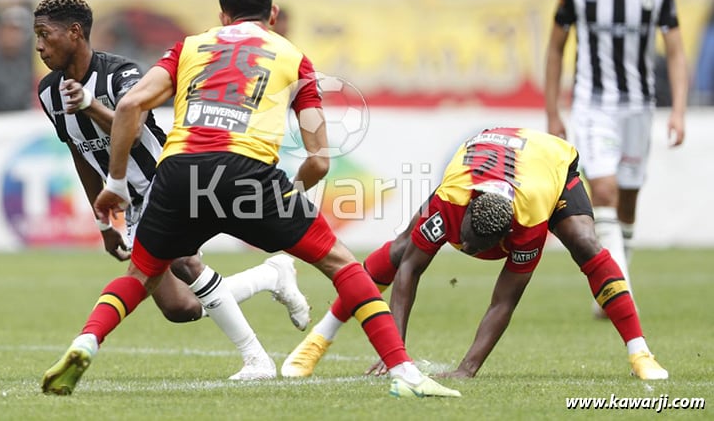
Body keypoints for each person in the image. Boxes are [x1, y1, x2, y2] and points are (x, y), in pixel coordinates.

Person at [40, 0, 460, 399]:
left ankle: (85, 343)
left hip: (178, 172)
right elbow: (319, 160)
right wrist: (290, 196)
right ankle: (404, 372)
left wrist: (114, 183)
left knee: (140, 275)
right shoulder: (293, 58)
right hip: (247, 173)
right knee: (342, 265)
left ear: (223, 16)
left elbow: (131, 104)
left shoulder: (191, 46)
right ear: (272, 14)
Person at [34, 0, 312, 383]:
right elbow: (81, 154)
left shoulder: (120, 74)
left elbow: (132, 127)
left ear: (75, 32)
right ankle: (271, 276)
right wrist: (104, 223)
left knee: (184, 262)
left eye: (45, 35)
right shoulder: (49, 92)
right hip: (128, 201)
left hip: (165, 182)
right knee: (181, 308)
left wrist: (89, 105)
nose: (40, 46)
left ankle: (257, 360)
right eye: (37, 37)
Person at [282, 127, 669, 381]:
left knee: (585, 242)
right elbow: (410, 271)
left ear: (506, 237)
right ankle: (319, 338)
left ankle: (640, 353)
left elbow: (504, 302)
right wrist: (394, 353)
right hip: (483, 162)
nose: (466, 250)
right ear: (463, 216)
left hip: (548, 162)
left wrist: (467, 369)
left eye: (477, 249)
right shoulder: (450, 199)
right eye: (464, 241)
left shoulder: (530, 220)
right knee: (401, 250)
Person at [543, 0, 689, 316]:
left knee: (627, 199)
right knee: (603, 190)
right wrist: (553, 111)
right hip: (593, 105)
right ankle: (619, 292)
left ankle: (609, 283)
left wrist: (678, 110)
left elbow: (676, 52)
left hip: (639, 106)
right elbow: (555, 49)